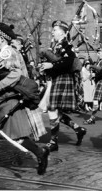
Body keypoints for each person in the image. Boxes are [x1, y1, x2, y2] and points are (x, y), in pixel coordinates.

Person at [0, 23, 49, 182]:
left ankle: (40, 153)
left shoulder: (8, 52)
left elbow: (15, 73)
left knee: (15, 136)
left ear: (2, 38)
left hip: (8, 98)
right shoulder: (0, 53)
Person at [40, 20, 87, 152]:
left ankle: (54, 141)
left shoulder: (67, 45)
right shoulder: (56, 46)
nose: (52, 32)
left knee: (52, 109)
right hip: (57, 79)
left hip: (64, 79)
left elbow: (68, 62)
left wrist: (52, 65)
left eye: (54, 30)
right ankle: (78, 129)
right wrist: (45, 67)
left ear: (62, 32)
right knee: (56, 111)